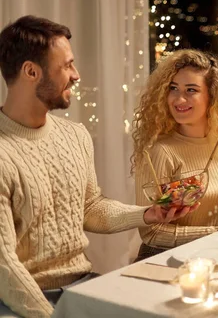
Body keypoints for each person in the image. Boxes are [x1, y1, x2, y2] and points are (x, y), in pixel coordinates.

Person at [0, 16, 192, 318]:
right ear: (31, 71)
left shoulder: (75, 136)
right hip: (24, 299)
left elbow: (90, 207)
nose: (76, 75)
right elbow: (4, 266)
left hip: (81, 285)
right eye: (66, 65)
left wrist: (147, 214)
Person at [131, 50, 218, 260]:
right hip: (164, 261)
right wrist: (215, 233)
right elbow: (151, 233)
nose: (178, 98)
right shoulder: (160, 151)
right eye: (173, 88)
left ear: (213, 96)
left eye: (191, 90)